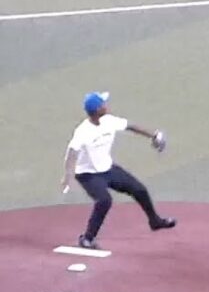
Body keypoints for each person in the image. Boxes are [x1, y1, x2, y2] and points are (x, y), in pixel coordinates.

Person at [62, 91, 176, 249]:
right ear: (97, 110)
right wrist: (68, 174)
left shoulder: (109, 121)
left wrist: (153, 135)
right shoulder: (83, 131)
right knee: (104, 200)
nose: (106, 105)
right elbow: (72, 152)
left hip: (107, 168)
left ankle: (154, 221)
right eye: (103, 103)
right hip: (87, 174)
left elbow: (131, 126)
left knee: (139, 190)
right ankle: (87, 238)